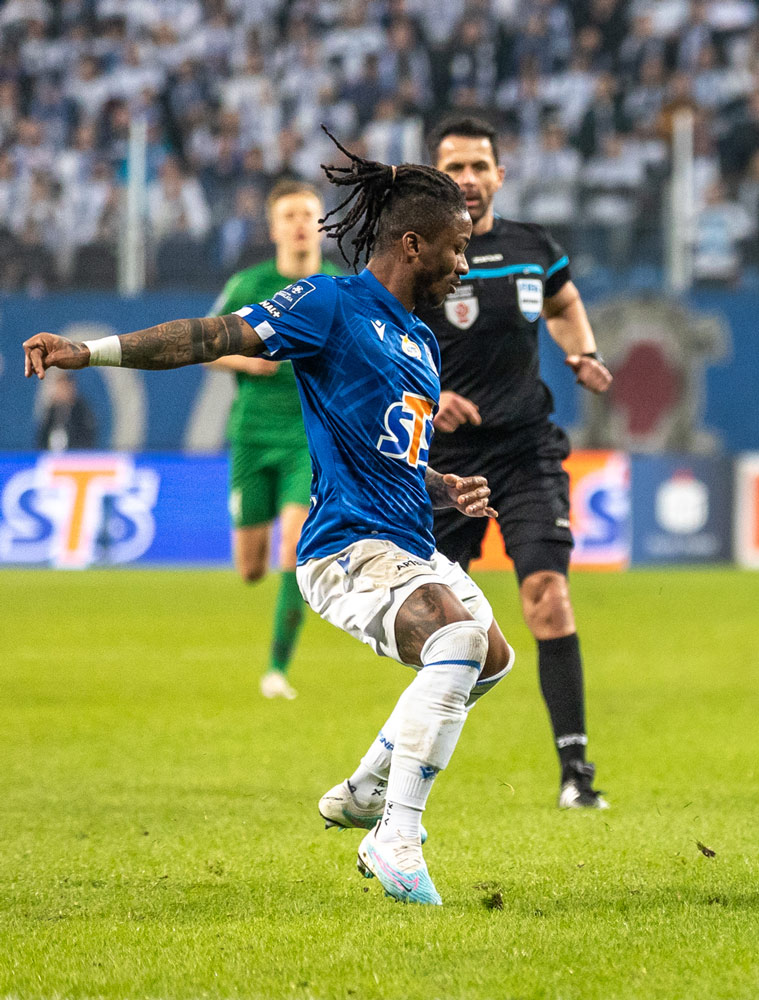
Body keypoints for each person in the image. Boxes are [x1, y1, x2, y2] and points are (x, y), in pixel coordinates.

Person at [24, 133, 513, 907]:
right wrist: (89, 354)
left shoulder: (420, 340)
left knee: (489, 657)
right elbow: (208, 337)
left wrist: (441, 485)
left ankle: (362, 789)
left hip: (405, 540)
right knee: (453, 641)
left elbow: (389, 452)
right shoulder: (330, 304)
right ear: (413, 244)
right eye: (455, 248)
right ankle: (396, 835)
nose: (464, 262)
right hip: (345, 549)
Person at [417, 116, 614, 810]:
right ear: (437, 178)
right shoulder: (413, 253)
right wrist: (427, 392)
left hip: (525, 448)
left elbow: (562, 300)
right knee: (442, 625)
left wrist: (581, 351)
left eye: (479, 166)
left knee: (548, 599)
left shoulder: (533, 247)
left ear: (500, 175)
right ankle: (412, 778)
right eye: (455, 168)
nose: (468, 178)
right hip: (444, 463)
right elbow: (375, 343)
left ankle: (576, 774)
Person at [206, 179, 343, 700]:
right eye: (290, 215)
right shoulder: (249, 285)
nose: (301, 223)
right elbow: (205, 344)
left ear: (322, 224)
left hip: (307, 439)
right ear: (274, 227)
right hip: (250, 435)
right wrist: (246, 359)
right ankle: (275, 663)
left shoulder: (338, 288)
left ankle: (276, 669)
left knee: (296, 545)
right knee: (250, 567)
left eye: (309, 213)